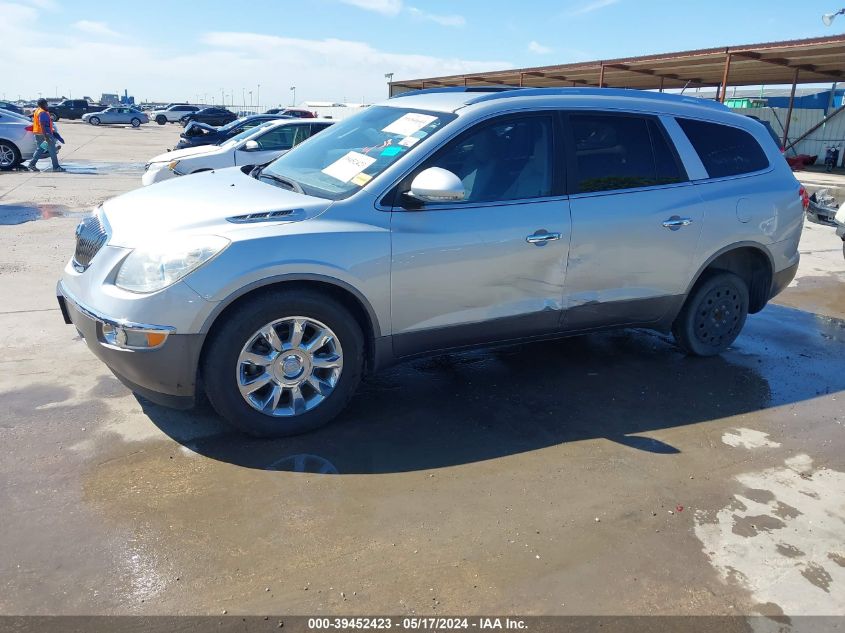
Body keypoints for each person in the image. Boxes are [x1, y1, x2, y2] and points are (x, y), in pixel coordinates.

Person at [27, 98, 65, 172]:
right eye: (46, 104)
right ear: (43, 105)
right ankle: (56, 167)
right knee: (52, 150)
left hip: (38, 133)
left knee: (40, 149)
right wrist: (46, 136)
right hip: (45, 134)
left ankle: (32, 164)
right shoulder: (43, 113)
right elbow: (42, 125)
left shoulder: (38, 110)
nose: (47, 105)